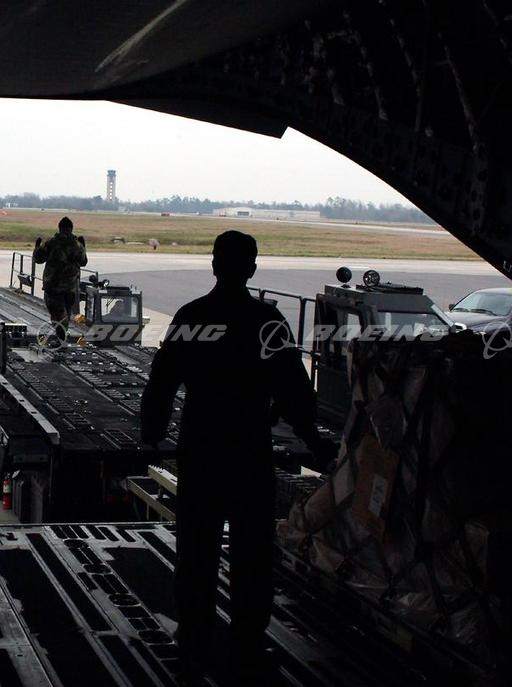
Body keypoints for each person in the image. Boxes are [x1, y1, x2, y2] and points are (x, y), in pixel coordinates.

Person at [140, 230, 335, 684]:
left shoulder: (192, 317)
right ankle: (247, 641)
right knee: (252, 552)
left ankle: (194, 638)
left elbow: (163, 381)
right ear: (252, 268)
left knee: (197, 550)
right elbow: (294, 390)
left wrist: (152, 434)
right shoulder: (267, 321)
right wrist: (312, 439)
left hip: (201, 449)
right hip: (250, 452)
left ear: (214, 265)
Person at [33, 216, 88, 345]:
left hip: (53, 285)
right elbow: (83, 262)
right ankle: (62, 337)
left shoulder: (51, 243)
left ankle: (61, 340)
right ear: (71, 229)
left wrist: (37, 247)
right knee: (66, 313)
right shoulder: (77, 245)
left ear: (60, 228)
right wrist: (84, 247)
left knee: (57, 314)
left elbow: (38, 259)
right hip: (70, 286)